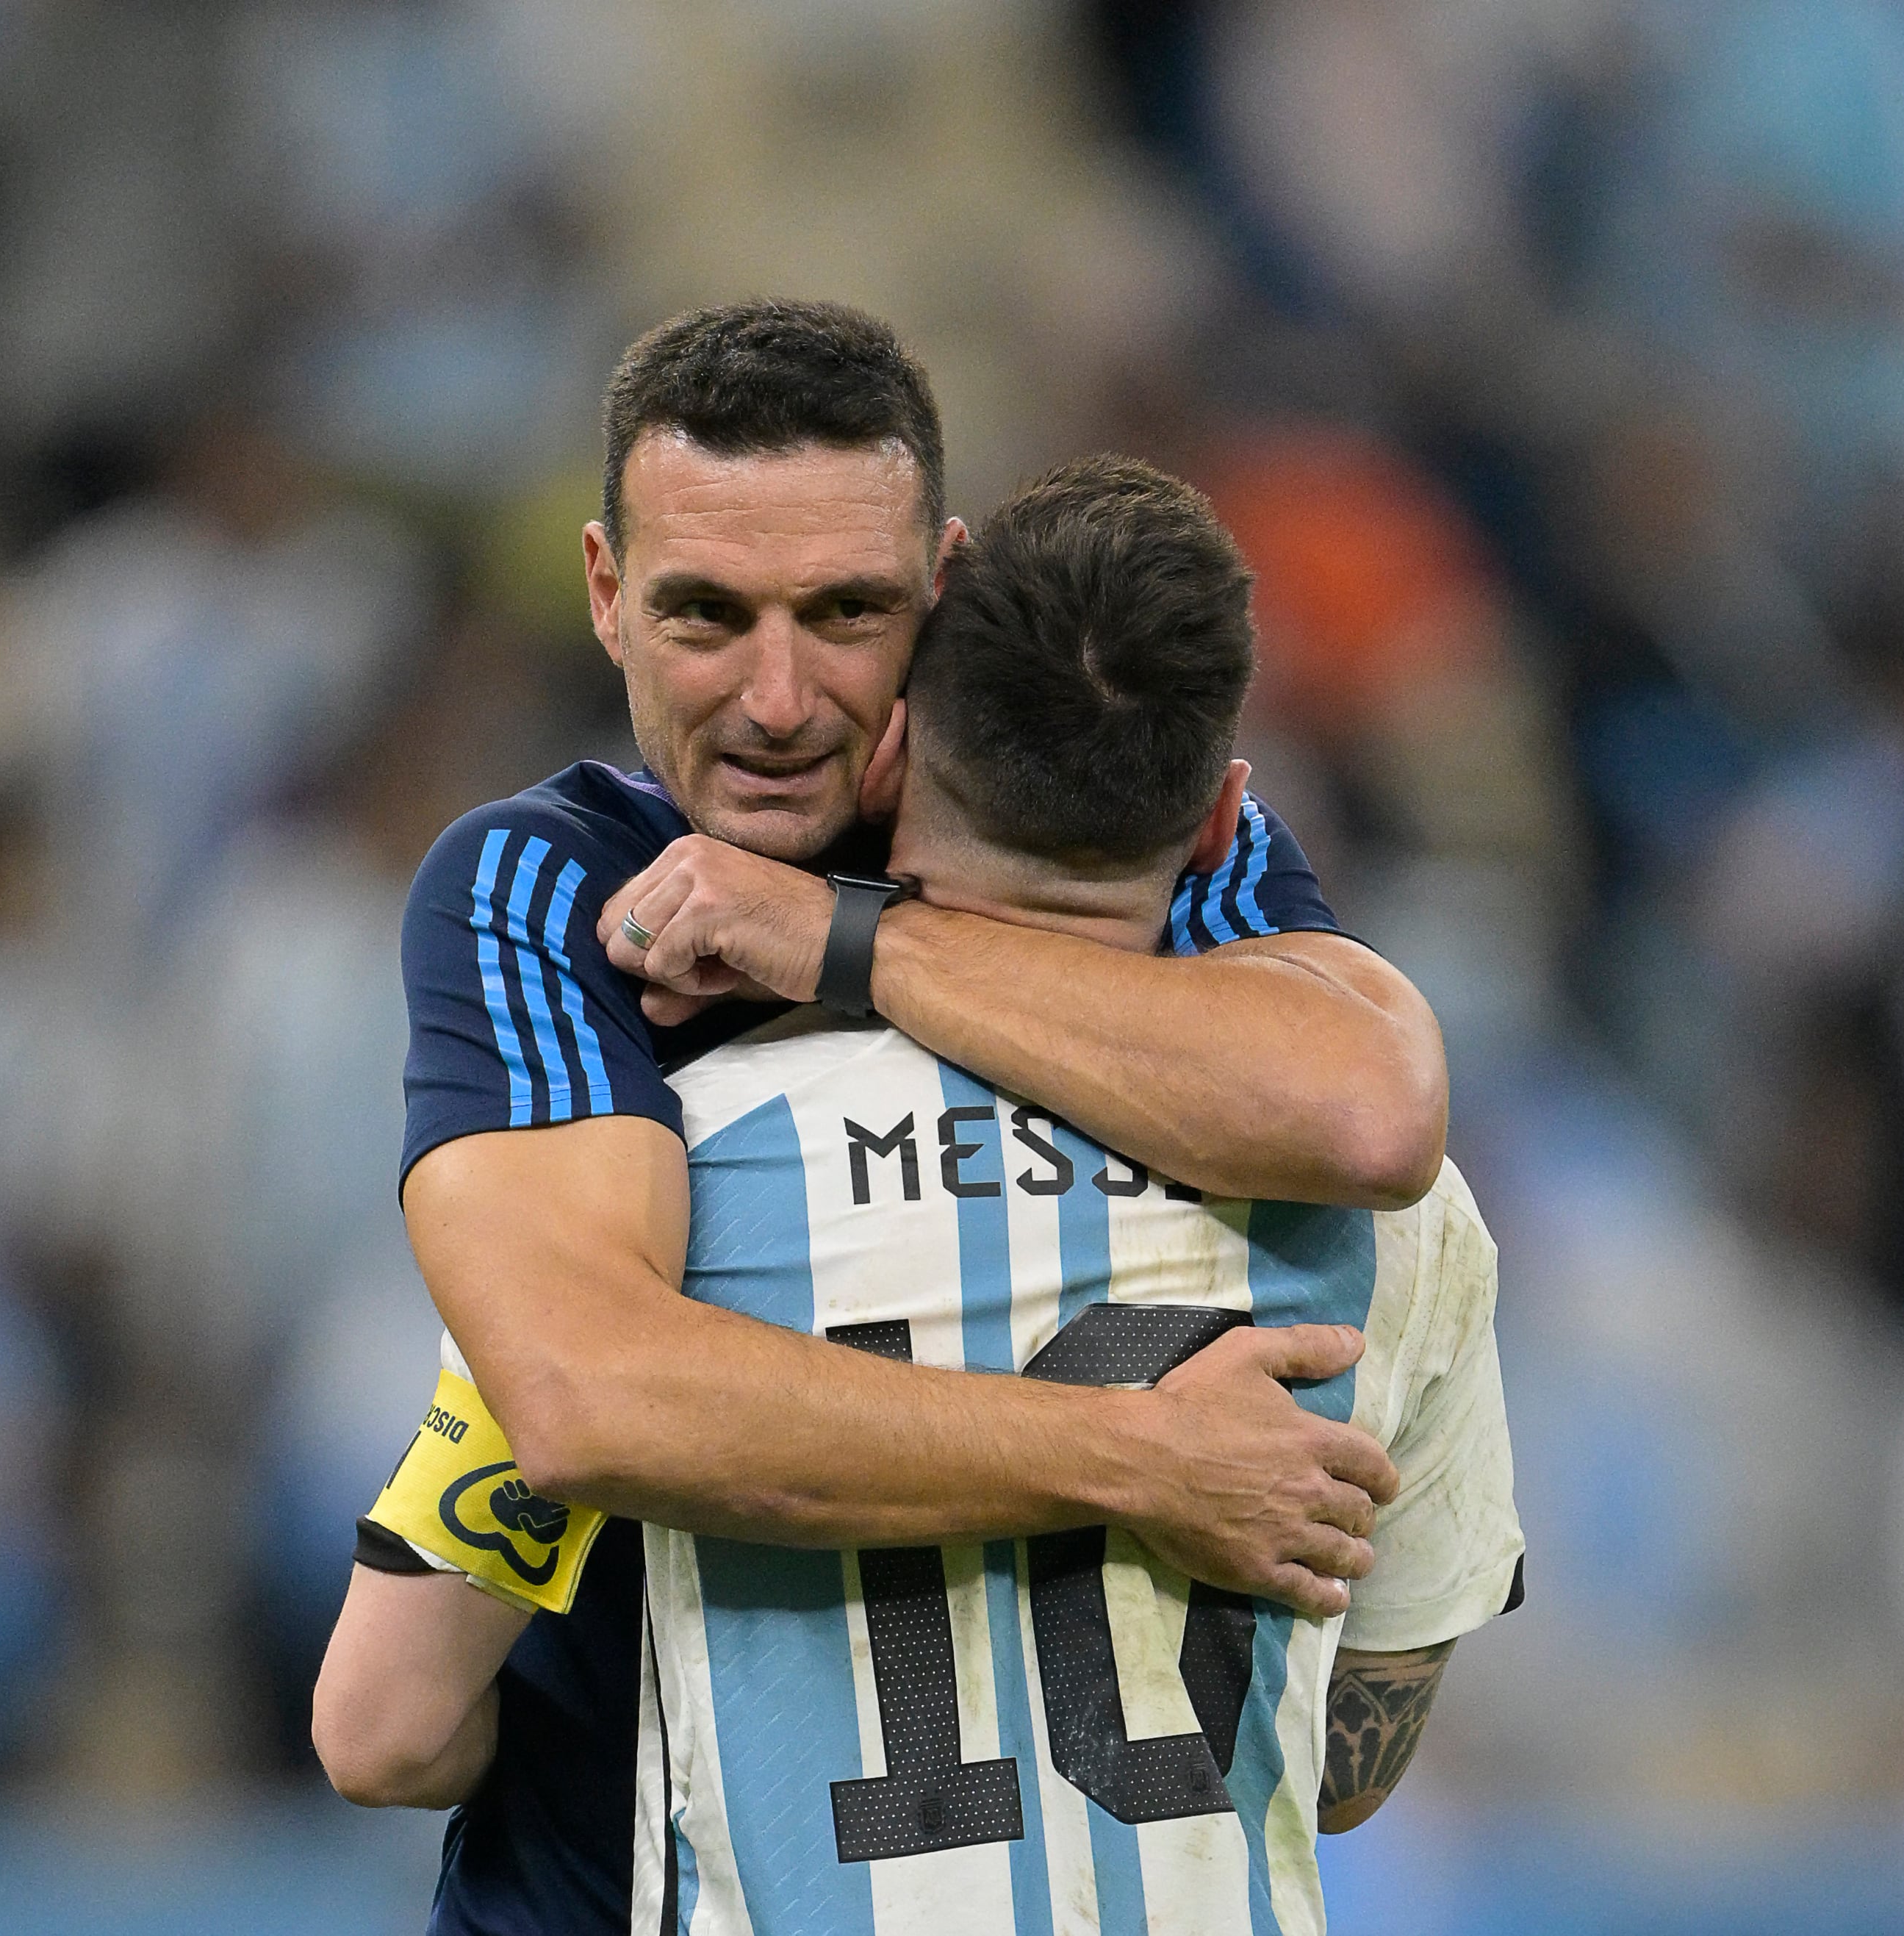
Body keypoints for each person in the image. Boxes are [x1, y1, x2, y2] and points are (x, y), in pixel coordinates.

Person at [313, 302, 1452, 1929]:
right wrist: (1129, 1460)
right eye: (706, 615)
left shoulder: (1111, 824)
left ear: (942, 585)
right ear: (603, 596)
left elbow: (1366, 1108)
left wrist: (837, 940)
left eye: (843, 613)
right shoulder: (543, 887)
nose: (775, 700)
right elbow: (577, 1396)